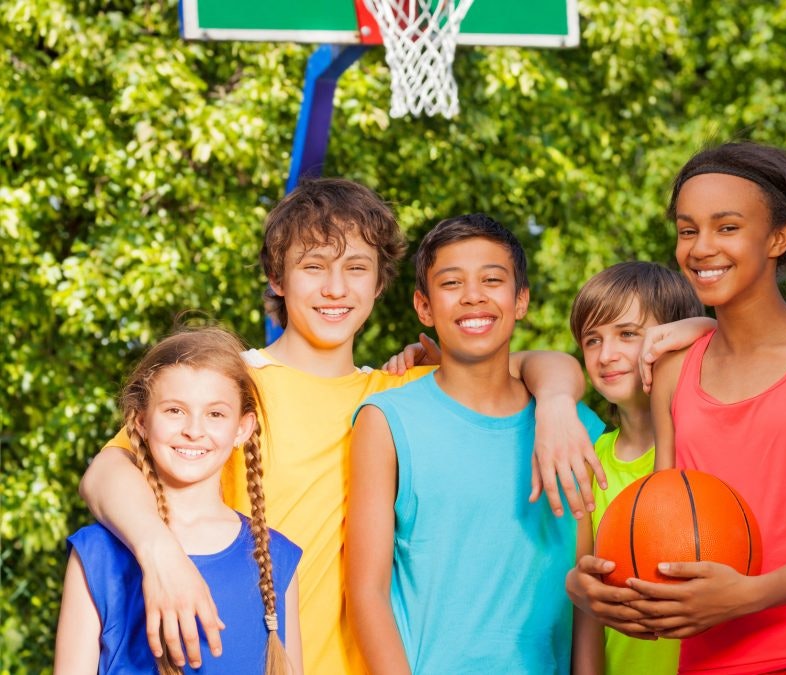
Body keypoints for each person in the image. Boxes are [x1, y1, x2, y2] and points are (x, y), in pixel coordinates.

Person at [77, 179, 603, 673]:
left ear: (379, 285)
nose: (335, 288)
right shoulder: (232, 388)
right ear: (277, 279)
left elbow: (526, 361)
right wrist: (159, 553)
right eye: (313, 266)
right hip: (239, 654)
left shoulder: (400, 394)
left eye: (356, 267)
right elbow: (105, 473)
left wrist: (557, 401)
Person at [571, 141, 786, 674]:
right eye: (688, 229)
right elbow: (664, 527)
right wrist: (596, 589)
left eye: (727, 227)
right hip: (705, 658)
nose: (701, 247)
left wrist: (751, 594)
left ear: (778, 238)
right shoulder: (673, 368)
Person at [346, 214, 606, 674]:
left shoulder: (572, 428)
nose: (473, 295)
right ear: (424, 307)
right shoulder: (386, 422)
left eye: (492, 279)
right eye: (451, 283)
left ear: (520, 299)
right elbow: (367, 593)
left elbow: (586, 597)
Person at [55, 327, 302, 674]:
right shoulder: (97, 552)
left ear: (242, 429)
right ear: (140, 422)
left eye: (215, 414)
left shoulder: (276, 556)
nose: (194, 430)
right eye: (174, 411)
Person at [567, 261, 705, 675]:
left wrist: (702, 326)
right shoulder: (589, 459)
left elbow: (743, 336)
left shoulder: (699, 446)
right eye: (592, 340)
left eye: (627, 334)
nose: (607, 355)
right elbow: (587, 606)